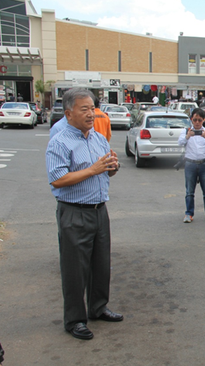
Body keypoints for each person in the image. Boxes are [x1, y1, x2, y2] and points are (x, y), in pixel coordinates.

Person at [46, 88, 123, 340]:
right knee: (74, 270)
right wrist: (93, 169)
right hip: (74, 212)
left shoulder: (98, 138)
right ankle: (74, 320)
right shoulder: (59, 142)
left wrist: (112, 167)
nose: (91, 113)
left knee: (101, 264)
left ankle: (98, 307)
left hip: (99, 210)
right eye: (84, 109)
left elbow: (104, 170)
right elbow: (57, 179)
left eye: (92, 108)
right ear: (69, 113)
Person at [178, 108, 205, 223]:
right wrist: (188, 136)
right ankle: (189, 214)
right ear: (191, 120)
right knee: (189, 191)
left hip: (204, 164)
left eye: (199, 120)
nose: (197, 122)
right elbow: (180, 143)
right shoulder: (186, 131)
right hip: (190, 163)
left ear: (204, 120)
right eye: (195, 120)